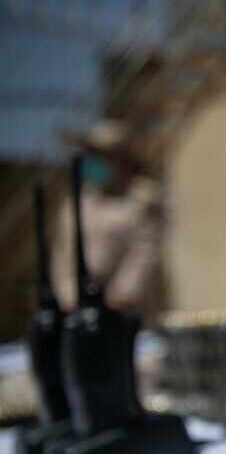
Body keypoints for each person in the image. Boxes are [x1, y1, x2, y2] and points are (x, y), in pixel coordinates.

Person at [53, 120, 165, 319]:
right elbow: (62, 255)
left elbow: (144, 254)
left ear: (121, 158)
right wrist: (69, 297)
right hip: (79, 308)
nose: (92, 161)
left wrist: (120, 295)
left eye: (100, 155)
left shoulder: (142, 200)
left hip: (125, 312)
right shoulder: (77, 203)